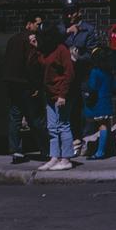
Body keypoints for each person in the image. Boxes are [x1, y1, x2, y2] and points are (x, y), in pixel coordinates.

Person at [3, 12, 49, 164]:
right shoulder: (30, 40)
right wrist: (36, 85)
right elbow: (32, 64)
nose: (38, 27)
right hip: (27, 85)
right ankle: (46, 150)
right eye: (37, 23)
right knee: (36, 119)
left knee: (15, 117)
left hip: (12, 84)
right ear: (28, 24)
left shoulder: (12, 40)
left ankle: (16, 151)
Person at [32, 23, 75, 171]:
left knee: (63, 126)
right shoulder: (45, 51)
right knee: (52, 127)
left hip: (60, 94)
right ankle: (55, 157)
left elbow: (69, 73)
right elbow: (40, 64)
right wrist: (36, 48)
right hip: (50, 94)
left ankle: (66, 158)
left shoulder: (61, 50)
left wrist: (63, 94)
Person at [58, 0, 99, 152]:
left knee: (86, 107)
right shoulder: (62, 29)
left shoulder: (88, 30)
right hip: (66, 77)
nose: (69, 16)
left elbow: (92, 54)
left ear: (78, 12)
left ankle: (86, 142)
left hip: (83, 75)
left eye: (72, 12)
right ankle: (73, 140)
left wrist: (78, 58)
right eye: (66, 12)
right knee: (70, 109)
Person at [81, 47, 115, 160]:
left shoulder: (95, 72)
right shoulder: (109, 72)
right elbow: (115, 86)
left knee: (102, 126)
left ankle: (100, 152)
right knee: (106, 125)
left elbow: (92, 87)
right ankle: (107, 148)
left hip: (98, 103)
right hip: (107, 101)